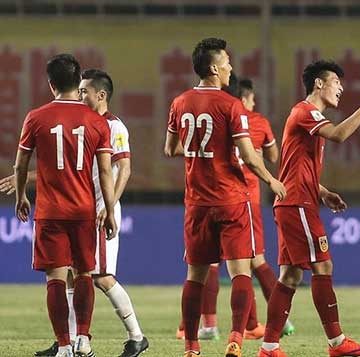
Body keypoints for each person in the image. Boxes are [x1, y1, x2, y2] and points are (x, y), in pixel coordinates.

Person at [2, 69, 149, 357]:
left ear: (101, 95)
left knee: (101, 277)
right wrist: (26, 178)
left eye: (84, 91)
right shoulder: (84, 123)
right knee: (73, 276)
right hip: (84, 208)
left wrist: (108, 205)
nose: (79, 96)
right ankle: (70, 341)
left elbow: (124, 169)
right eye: (78, 90)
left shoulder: (114, 126)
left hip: (98, 208)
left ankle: (136, 336)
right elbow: (61, 167)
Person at [257, 60, 360, 357]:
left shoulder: (305, 116)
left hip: (297, 201)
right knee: (323, 265)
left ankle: (269, 347)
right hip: (297, 204)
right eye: (336, 82)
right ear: (319, 83)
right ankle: (337, 342)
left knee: (290, 275)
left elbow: (292, 168)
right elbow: (340, 135)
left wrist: (323, 192)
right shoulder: (306, 112)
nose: (341, 88)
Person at [164, 38, 286, 357]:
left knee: (196, 275)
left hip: (197, 201)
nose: (231, 67)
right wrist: (271, 179)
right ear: (215, 68)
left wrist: (198, 151)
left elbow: (170, 148)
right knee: (240, 271)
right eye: (228, 62)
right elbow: (248, 154)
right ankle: (235, 339)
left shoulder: (179, 102)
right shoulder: (231, 105)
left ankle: (192, 346)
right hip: (232, 198)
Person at [14, 54, 117, 357]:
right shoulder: (97, 122)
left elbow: (21, 166)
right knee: (84, 274)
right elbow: (106, 172)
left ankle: (62, 345)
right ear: (77, 83)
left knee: (56, 278)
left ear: (50, 84)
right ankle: (83, 338)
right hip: (84, 211)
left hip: (50, 212)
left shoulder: (36, 117)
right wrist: (109, 210)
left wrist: (21, 195)